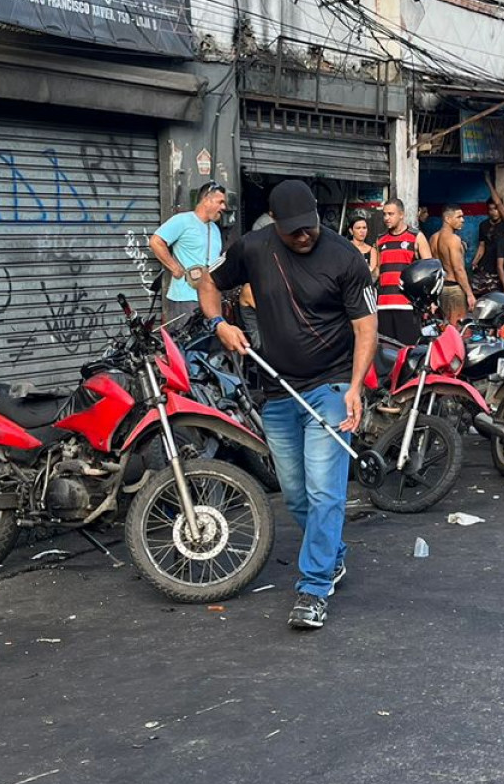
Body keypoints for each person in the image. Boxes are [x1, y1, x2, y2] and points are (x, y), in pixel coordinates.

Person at [195, 180, 374, 632]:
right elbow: (208, 283)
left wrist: (355, 387)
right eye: (293, 230)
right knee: (294, 493)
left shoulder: (344, 257)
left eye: (309, 227)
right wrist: (218, 324)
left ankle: (314, 588)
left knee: (324, 491)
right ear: (275, 223)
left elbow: (366, 328)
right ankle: (331, 554)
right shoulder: (252, 249)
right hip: (277, 389)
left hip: (331, 387)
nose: (303, 236)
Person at [148, 182, 227, 324]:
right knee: (184, 344)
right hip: (185, 299)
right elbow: (156, 242)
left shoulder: (214, 228)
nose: (223, 207)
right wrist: (174, 268)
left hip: (211, 300)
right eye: (220, 202)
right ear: (206, 200)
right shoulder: (183, 220)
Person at [373, 199, 431, 347]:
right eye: (384, 214)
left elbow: (428, 270)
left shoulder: (416, 237)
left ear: (401, 215)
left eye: (390, 214)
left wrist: (429, 301)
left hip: (406, 305)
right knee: (386, 353)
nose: (386, 218)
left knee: (408, 351)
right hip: (383, 305)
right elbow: (378, 270)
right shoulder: (380, 239)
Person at [433, 205, 474, 323]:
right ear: (447, 219)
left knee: (446, 328)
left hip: (442, 289)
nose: (463, 220)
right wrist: (469, 294)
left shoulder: (433, 238)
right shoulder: (454, 239)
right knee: (459, 329)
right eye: (459, 217)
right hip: (454, 290)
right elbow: (458, 269)